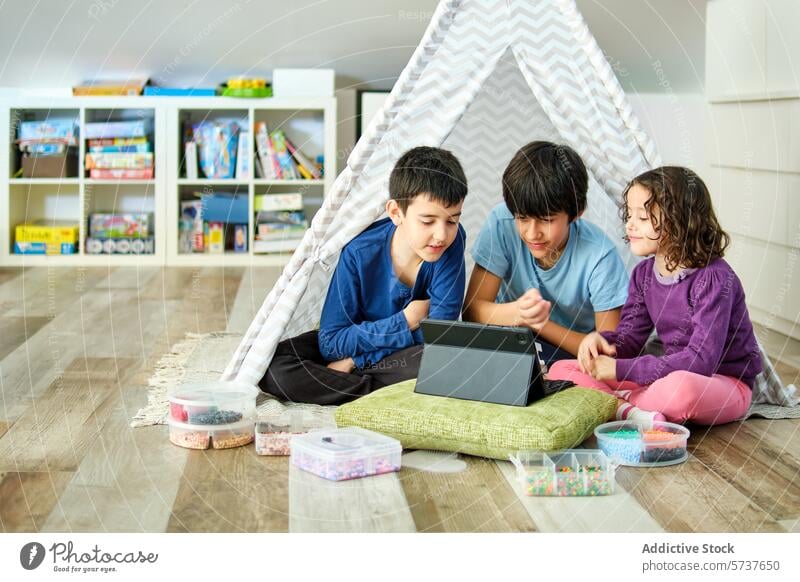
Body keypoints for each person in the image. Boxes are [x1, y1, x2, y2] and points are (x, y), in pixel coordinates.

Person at [548, 166, 762, 425]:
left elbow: (701, 360)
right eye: (629, 214)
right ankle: (633, 411)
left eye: (642, 217)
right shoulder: (643, 275)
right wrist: (600, 343)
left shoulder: (714, 279)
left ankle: (617, 404)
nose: (629, 224)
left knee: (682, 390)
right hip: (664, 376)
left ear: (680, 220)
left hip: (722, 383)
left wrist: (618, 370)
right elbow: (629, 340)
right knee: (561, 370)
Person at [260, 146, 468, 405]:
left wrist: (354, 360)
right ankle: (385, 393)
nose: (441, 235)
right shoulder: (359, 251)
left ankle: (350, 385)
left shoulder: (452, 243)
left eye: (452, 221)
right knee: (272, 366)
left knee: (444, 361)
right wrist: (406, 320)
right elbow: (331, 343)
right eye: (427, 221)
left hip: (395, 353)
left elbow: (441, 336)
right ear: (395, 212)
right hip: (360, 337)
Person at [463, 141, 629, 367]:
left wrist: (539, 323)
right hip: (508, 344)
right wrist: (517, 314)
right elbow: (472, 312)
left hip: (571, 356)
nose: (532, 233)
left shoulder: (600, 256)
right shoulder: (501, 224)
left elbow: (608, 354)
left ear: (576, 213)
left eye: (547, 220)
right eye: (522, 218)